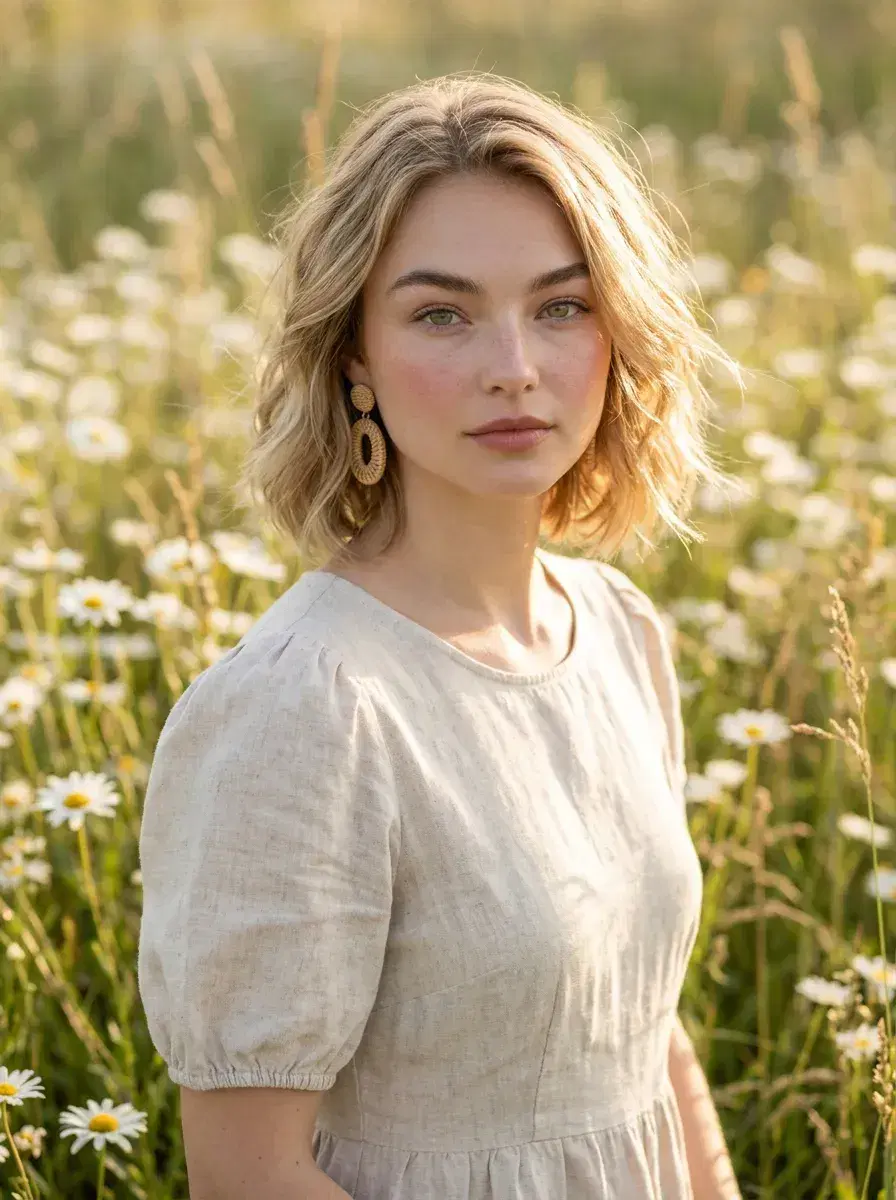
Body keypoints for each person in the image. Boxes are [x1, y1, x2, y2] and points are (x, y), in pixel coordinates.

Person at [137, 72, 744, 1200]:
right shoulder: (305, 706)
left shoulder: (618, 631)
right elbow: (246, 1176)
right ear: (353, 358)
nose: (513, 365)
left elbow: (645, 1036)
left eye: (561, 307)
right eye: (440, 314)